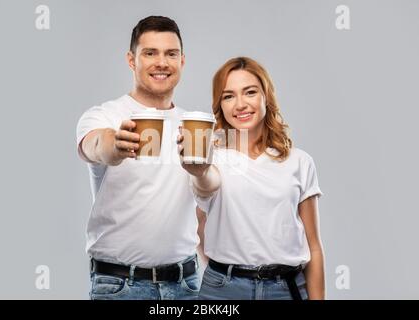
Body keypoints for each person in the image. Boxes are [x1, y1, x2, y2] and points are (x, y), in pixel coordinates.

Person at [177, 57, 325, 300]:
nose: (240, 104)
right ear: (220, 105)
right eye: (228, 96)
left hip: (286, 290)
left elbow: (314, 246)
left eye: (250, 92)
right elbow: (201, 216)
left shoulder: (299, 162)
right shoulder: (210, 158)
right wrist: (200, 171)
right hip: (222, 291)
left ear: (266, 96)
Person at [76, 16, 201, 300]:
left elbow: (200, 208)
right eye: (150, 53)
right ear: (132, 61)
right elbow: (94, 145)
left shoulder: (193, 126)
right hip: (120, 286)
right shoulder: (105, 115)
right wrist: (115, 145)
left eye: (171, 54)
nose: (162, 62)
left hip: (186, 284)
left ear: (182, 61)